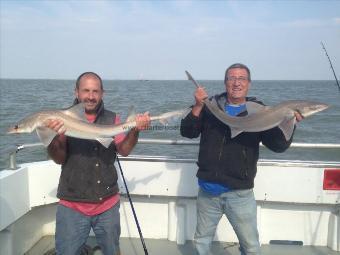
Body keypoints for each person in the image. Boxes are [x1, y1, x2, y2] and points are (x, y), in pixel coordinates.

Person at [180, 63, 303, 255]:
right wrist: (197, 106)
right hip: (208, 191)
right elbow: (187, 132)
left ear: (249, 84)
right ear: (225, 82)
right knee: (201, 243)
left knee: (252, 247)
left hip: (240, 193)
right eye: (232, 78)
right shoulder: (210, 106)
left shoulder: (260, 112)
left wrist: (290, 122)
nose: (237, 83)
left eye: (242, 79)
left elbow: (278, 146)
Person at [46, 72, 150, 255]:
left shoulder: (112, 119)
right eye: (86, 91)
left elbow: (124, 150)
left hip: (107, 204)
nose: (91, 96)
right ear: (76, 92)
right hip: (72, 204)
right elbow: (59, 158)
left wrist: (134, 130)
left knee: (112, 251)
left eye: (95, 91)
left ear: (102, 93)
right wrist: (52, 136)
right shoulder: (61, 118)